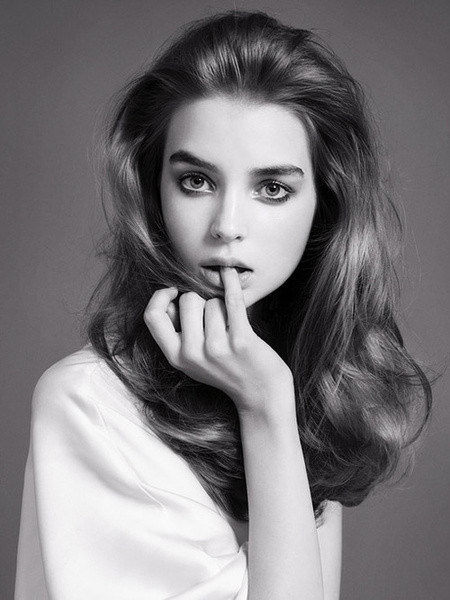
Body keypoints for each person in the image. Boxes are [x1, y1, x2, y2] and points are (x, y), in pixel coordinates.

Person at [15, 9, 433, 600]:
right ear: (154, 190)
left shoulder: (295, 386)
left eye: (272, 189)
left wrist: (270, 407)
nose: (227, 225)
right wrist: (265, 407)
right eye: (196, 181)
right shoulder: (87, 403)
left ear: (325, 205)